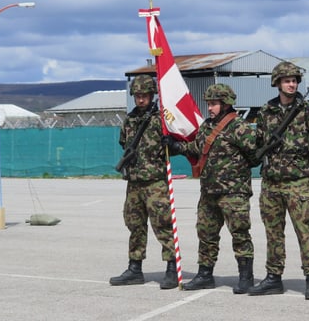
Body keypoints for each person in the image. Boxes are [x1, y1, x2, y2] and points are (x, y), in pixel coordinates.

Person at [247, 61, 309, 300]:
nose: (292, 84)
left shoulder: (308, 111)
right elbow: (258, 141)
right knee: (273, 232)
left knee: (304, 231)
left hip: (298, 182)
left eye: (295, 80)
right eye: (287, 80)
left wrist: (300, 148)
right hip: (272, 182)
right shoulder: (266, 112)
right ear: (277, 83)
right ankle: (273, 277)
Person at [163, 84, 257, 294]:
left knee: (240, 233)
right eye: (209, 104)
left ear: (225, 104)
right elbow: (196, 148)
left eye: (214, 104)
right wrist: (176, 146)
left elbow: (255, 154)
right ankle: (205, 274)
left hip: (233, 193)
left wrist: (236, 174)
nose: (210, 108)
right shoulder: (207, 126)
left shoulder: (239, 127)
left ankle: (246, 276)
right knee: (205, 233)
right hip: (208, 192)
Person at [109, 74, 178, 290]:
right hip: (135, 183)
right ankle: (134, 268)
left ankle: (171, 269)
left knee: (163, 225)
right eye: (137, 96)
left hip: (155, 182)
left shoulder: (161, 119)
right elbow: (124, 143)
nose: (141, 100)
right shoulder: (129, 121)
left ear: (152, 95)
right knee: (135, 225)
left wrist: (172, 143)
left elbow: (177, 142)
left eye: (145, 96)